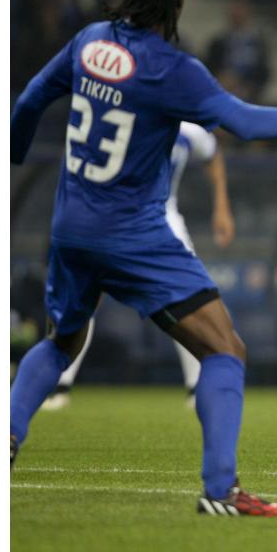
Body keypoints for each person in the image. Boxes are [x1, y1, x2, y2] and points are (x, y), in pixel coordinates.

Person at [9, 0, 277, 517]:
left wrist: (13, 153)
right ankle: (221, 491)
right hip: (133, 233)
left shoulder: (89, 42)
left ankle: (4, 436)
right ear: (176, 1)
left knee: (63, 340)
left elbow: (29, 102)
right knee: (225, 348)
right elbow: (248, 124)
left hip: (71, 227)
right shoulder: (170, 69)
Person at [41, 122, 236, 411]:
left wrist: (221, 207)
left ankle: (198, 388)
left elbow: (213, 154)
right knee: (83, 298)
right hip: (114, 219)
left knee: (191, 301)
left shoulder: (190, 129)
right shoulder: (129, 111)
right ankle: (58, 385)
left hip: (163, 219)